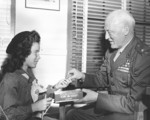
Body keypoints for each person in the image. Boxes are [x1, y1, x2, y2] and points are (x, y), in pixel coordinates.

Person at [65, 9, 150, 120]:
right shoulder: (111, 52)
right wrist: (82, 76)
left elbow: (133, 104)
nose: (106, 37)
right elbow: (102, 78)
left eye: (110, 32)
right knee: (72, 114)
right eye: (106, 32)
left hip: (131, 114)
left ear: (125, 30)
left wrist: (97, 98)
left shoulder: (143, 56)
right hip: (110, 107)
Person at [0, 30, 56, 120]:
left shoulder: (28, 72)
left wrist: (55, 87)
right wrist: (34, 107)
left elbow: (35, 96)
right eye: (35, 52)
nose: (39, 56)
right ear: (23, 53)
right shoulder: (10, 79)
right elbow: (7, 115)